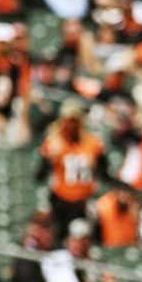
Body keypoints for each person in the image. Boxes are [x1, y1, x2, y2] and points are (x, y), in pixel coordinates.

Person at [38, 100, 104, 241]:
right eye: (69, 121)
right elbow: (39, 176)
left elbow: (104, 173)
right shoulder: (54, 143)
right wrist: (49, 160)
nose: (72, 125)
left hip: (84, 200)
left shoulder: (92, 143)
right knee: (58, 236)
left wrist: (95, 167)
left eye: (75, 121)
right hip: (61, 199)